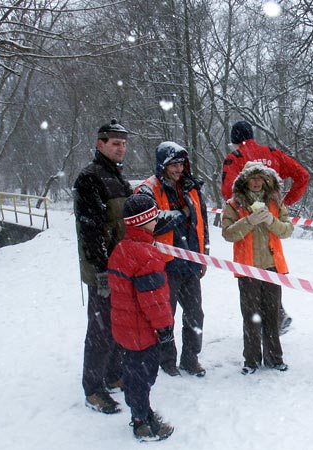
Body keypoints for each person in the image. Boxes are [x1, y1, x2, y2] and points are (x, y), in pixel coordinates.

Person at [221, 120, 309, 334]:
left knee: (252, 279)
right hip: (271, 226)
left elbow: (227, 192)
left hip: (250, 229)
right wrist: (283, 204)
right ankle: (274, 319)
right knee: (270, 273)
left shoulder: (235, 158)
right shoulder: (273, 153)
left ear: (234, 141)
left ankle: (265, 325)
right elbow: (303, 175)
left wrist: (247, 211)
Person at [73, 118, 133, 413]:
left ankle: (113, 374)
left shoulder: (119, 178)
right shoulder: (90, 178)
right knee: (100, 329)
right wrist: (101, 269)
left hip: (123, 266)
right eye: (115, 143)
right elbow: (91, 228)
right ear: (101, 144)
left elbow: (128, 221)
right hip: (103, 268)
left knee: (118, 324)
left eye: (124, 143)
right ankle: (93, 388)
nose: (121, 148)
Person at [136, 141, 209, 377]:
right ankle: (167, 360)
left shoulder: (192, 188)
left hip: (191, 262)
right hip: (163, 264)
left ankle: (191, 358)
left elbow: (202, 223)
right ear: (162, 165)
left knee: (195, 314)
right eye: (173, 165)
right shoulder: (148, 189)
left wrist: (203, 255)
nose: (178, 169)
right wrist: (180, 215)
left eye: (181, 164)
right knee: (165, 315)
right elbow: (151, 223)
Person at [107, 193, 175, 441]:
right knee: (144, 376)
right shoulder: (146, 255)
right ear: (144, 221)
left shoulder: (122, 248)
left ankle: (140, 409)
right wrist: (165, 327)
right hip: (142, 331)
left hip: (125, 328)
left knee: (134, 371)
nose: (156, 221)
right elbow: (154, 300)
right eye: (153, 218)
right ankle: (142, 421)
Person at [222, 162, 294, 374]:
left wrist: (271, 220)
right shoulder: (234, 204)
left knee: (272, 315)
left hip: (272, 267)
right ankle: (251, 360)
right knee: (251, 316)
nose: (255, 182)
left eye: (259, 178)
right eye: (252, 178)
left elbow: (287, 230)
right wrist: (249, 221)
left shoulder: (275, 202)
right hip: (247, 270)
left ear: (266, 180)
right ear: (245, 180)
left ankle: (275, 359)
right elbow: (228, 233)